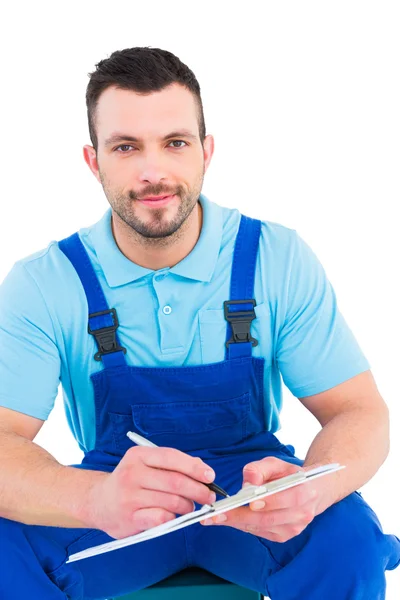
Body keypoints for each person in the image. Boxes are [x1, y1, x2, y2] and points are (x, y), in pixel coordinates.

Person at [0, 46, 398, 600]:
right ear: (94, 162)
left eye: (176, 143)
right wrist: (93, 500)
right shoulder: (45, 282)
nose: (153, 170)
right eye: (125, 147)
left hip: (250, 506)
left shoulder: (274, 258)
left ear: (206, 152)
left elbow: (359, 411)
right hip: (114, 502)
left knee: (349, 542)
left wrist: (314, 488)